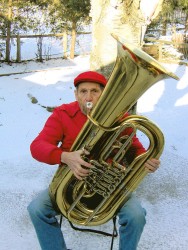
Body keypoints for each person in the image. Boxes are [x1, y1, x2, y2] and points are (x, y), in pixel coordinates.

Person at [28, 71, 160, 250]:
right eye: (83, 91)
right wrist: (65, 157)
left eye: (94, 91)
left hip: (109, 188)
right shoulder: (63, 114)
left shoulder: (120, 118)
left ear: (103, 94)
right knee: (36, 209)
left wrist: (146, 160)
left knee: (136, 215)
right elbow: (37, 146)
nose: (88, 96)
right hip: (70, 185)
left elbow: (134, 149)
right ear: (76, 94)